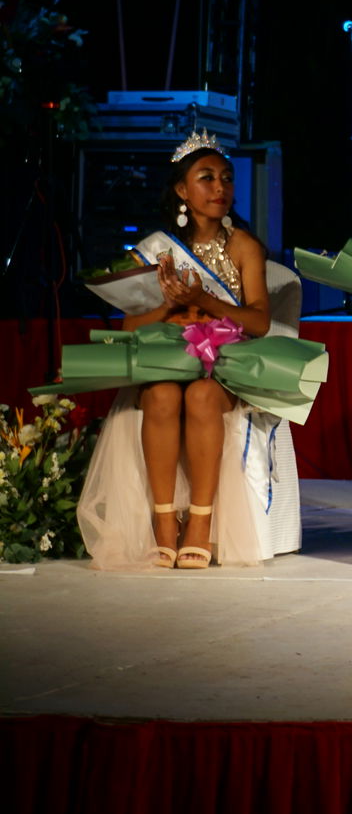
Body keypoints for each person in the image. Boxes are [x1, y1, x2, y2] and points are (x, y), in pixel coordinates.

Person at [76, 132, 275, 569]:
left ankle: (200, 525)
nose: (219, 188)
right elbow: (129, 326)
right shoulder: (153, 250)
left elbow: (259, 321)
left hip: (224, 365)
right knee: (163, 395)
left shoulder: (243, 246)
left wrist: (205, 302)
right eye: (206, 178)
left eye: (226, 178)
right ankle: (164, 523)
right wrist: (168, 304)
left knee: (202, 396)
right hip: (166, 363)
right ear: (182, 191)